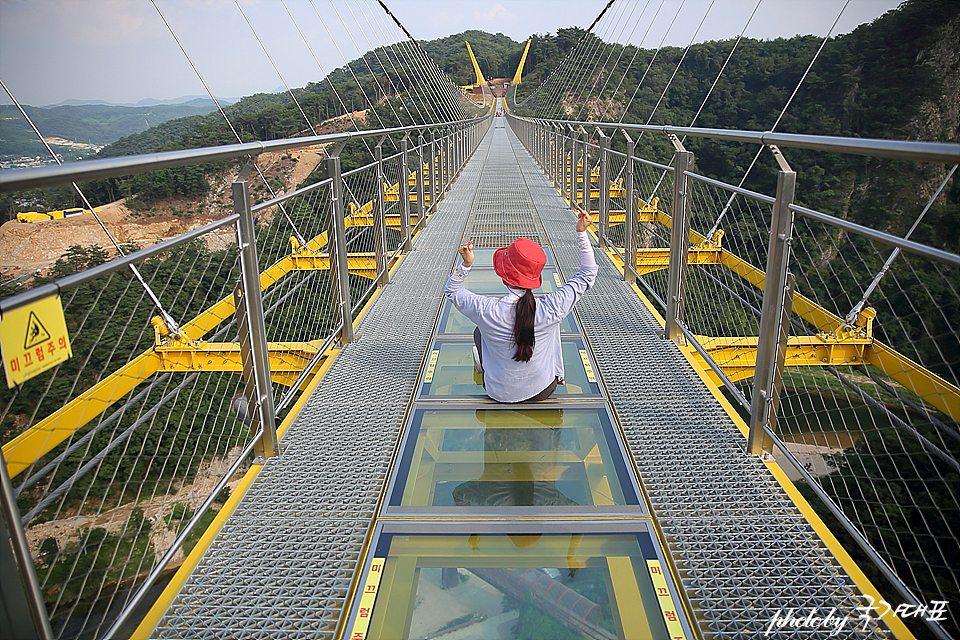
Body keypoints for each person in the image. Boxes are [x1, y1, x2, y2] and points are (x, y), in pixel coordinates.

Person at [444, 208, 597, 403]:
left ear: (504, 276)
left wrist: (465, 265)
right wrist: (581, 232)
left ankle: (486, 365)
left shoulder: (486, 310)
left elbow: (452, 290)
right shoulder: (551, 307)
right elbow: (588, 273)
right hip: (542, 389)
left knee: (479, 332)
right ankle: (555, 375)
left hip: (497, 393)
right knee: (553, 325)